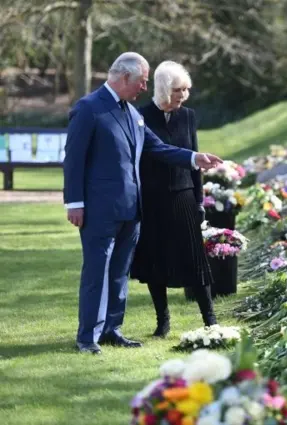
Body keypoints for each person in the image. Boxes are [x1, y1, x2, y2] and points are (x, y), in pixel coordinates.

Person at [63, 52, 222, 355]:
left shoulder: (133, 114)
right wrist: (74, 203)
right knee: (97, 271)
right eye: (142, 82)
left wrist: (193, 158)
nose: (145, 89)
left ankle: (112, 329)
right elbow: (73, 161)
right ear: (124, 77)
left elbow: (158, 148)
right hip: (99, 210)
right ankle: (87, 337)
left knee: (120, 272)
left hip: (132, 210)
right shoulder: (88, 109)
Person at [129, 61, 216, 338]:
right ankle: (162, 322)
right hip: (153, 200)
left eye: (187, 89)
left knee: (196, 261)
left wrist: (200, 201)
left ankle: (210, 320)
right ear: (165, 88)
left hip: (183, 196)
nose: (184, 95)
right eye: (179, 89)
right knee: (156, 262)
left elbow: (195, 159)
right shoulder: (141, 116)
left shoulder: (188, 116)